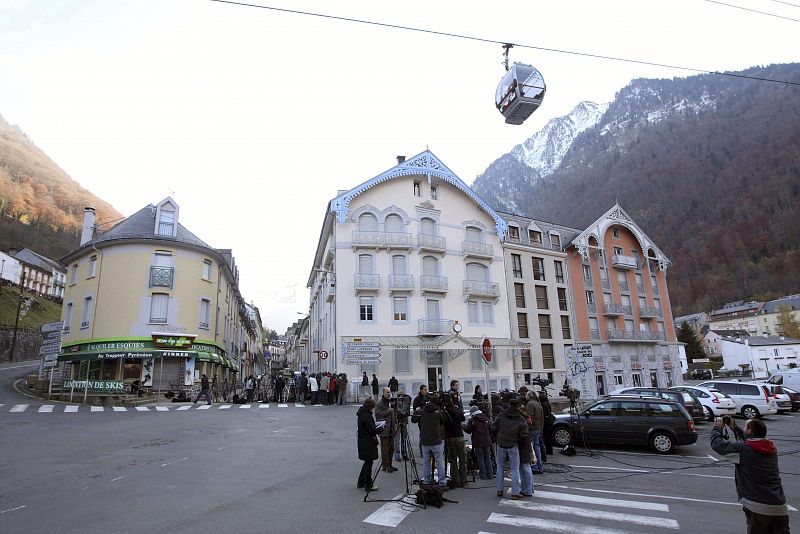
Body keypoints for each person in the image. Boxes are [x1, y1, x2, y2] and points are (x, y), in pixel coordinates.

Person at [710, 417, 789, 533]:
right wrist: (734, 428)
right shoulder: (770, 447)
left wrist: (717, 428)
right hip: (780, 506)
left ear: (750, 431)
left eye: (745, 427)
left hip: (758, 507)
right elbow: (753, 441)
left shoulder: (744, 450)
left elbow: (718, 445)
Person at [492, 398, 529, 500]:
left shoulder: (501, 415)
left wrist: (498, 436)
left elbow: (493, 427)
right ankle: (515, 493)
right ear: (518, 406)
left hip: (501, 443)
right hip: (513, 444)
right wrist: (517, 439)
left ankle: (499, 489)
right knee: (514, 469)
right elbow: (525, 434)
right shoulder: (520, 418)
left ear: (509, 404)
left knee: (500, 466)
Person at [412, 393, 448, 490]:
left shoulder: (423, 411)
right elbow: (444, 420)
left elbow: (413, 419)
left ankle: (427, 481)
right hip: (436, 440)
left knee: (426, 461)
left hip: (424, 440)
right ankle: (442, 482)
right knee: (439, 461)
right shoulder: (438, 412)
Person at [443, 392, 468, 487]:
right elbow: (463, 417)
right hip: (459, 436)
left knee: (452, 460)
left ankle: (455, 480)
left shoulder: (445, 412)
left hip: (450, 437)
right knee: (462, 459)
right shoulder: (456, 410)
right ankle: (464, 480)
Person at [357, 398, 380, 492]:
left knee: (367, 462)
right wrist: (380, 429)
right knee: (369, 463)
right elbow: (371, 430)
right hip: (368, 442)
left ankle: (361, 482)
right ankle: (368, 484)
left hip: (363, 441)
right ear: (370, 407)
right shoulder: (366, 415)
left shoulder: (362, 413)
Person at [464, 405, 493, 480]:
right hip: (487, 441)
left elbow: (468, 430)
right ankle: (490, 474)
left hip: (478, 442)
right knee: (488, 458)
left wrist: (463, 426)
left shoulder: (473, 420)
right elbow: (491, 429)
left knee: (480, 458)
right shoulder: (486, 417)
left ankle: (482, 475)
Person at [375, 387, 398, 472]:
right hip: (384, 429)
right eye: (387, 392)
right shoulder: (379, 403)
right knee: (385, 449)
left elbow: (393, 413)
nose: (389, 394)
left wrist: (395, 423)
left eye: (390, 392)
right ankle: (385, 466)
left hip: (391, 428)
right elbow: (377, 415)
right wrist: (389, 411)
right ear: (383, 393)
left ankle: (390, 464)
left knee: (391, 448)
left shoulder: (390, 402)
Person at [516, 400, 535, 497]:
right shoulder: (526, 420)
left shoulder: (522, 422)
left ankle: (527, 489)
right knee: (525, 467)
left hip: (523, 446)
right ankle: (529, 488)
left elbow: (523, 436)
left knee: (524, 467)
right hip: (526, 445)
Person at [524, 391, 544, 474]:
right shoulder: (538, 403)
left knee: (531, 448)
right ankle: (540, 466)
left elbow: (529, 418)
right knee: (537, 447)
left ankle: (534, 466)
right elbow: (542, 418)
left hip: (532, 429)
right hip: (538, 427)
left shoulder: (530, 404)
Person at [539, 390, 554, 458]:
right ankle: (549, 450)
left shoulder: (543, 405)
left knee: (546, 437)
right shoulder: (547, 403)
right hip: (548, 422)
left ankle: (548, 450)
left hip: (545, 422)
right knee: (548, 436)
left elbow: (543, 415)